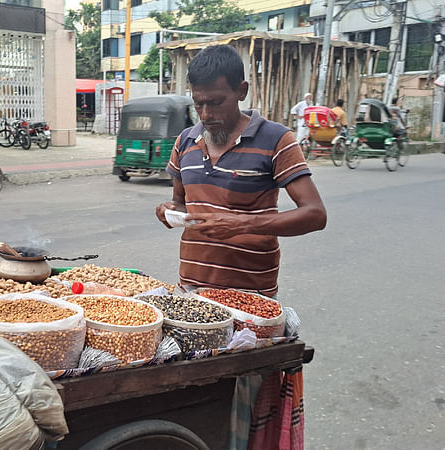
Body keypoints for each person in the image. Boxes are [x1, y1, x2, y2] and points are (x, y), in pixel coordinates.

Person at [155, 44, 326, 448]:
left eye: (216, 101)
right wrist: (167, 210)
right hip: (192, 297)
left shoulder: (276, 139)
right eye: (199, 104)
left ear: (242, 90)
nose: (207, 113)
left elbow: (315, 214)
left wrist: (240, 223)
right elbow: (179, 202)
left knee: (243, 409)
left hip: (250, 299)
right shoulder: (185, 141)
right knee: (196, 405)